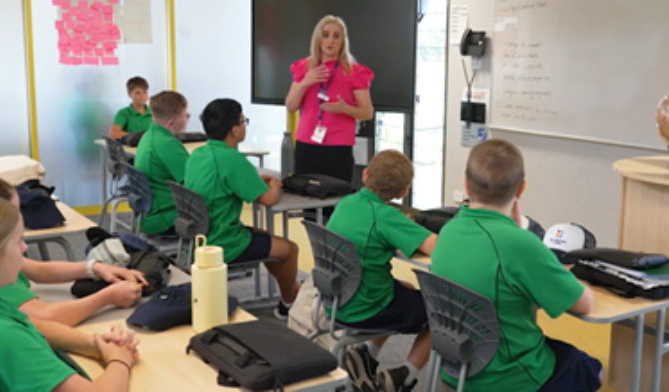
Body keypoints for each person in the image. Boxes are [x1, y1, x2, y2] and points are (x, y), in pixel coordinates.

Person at [0, 195, 138, 391]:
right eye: (18, 241)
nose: (24, 248)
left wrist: (95, 344)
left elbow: (34, 325)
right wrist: (119, 359)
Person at [431, 139, 601, 392]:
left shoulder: (449, 230)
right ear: (521, 189)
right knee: (591, 368)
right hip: (506, 376)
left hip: (456, 364)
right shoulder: (522, 245)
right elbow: (584, 303)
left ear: (465, 184)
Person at [0, 173, 146, 326]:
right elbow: (47, 318)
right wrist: (107, 296)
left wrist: (95, 267)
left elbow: (36, 269)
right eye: (14, 212)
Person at [327, 150, 436, 392]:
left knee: (402, 288)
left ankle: (367, 354)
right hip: (366, 307)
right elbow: (434, 247)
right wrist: (405, 224)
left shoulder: (346, 203)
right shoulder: (386, 216)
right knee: (442, 314)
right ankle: (406, 375)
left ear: (365, 175)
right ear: (402, 192)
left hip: (335, 300)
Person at [185, 98, 300, 320]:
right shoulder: (233, 159)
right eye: (243, 120)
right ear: (235, 129)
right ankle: (288, 304)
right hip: (223, 241)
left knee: (265, 238)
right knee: (289, 250)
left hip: (200, 235)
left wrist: (253, 179)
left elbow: (223, 180)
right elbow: (268, 200)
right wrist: (275, 185)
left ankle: (291, 290)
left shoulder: (199, 154)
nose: (245, 125)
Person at [284, 15, 373, 206]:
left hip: (338, 149)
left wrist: (345, 109)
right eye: (325, 35)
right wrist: (304, 83)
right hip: (307, 146)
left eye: (336, 36)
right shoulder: (304, 67)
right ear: (318, 39)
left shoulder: (354, 71)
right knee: (305, 203)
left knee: (334, 205)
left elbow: (367, 112)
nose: (330, 41)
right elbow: (291, 106)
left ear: (343, 41)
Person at [133, 91, 189, 236]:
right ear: (170, 123)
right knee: (221, 213)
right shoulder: (167, 144)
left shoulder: (149, 136)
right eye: (185, 115)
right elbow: (194, 182)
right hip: (164, 218)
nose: (187, 119)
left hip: (148, 213)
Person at [109, 76, 152, 141]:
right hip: (131, 149)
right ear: (129, 94)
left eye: (144, 92)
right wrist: (137, 137)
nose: (142, 96)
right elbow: (113, 134)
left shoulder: (153, 113)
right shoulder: (123, 113)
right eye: (138, 93)